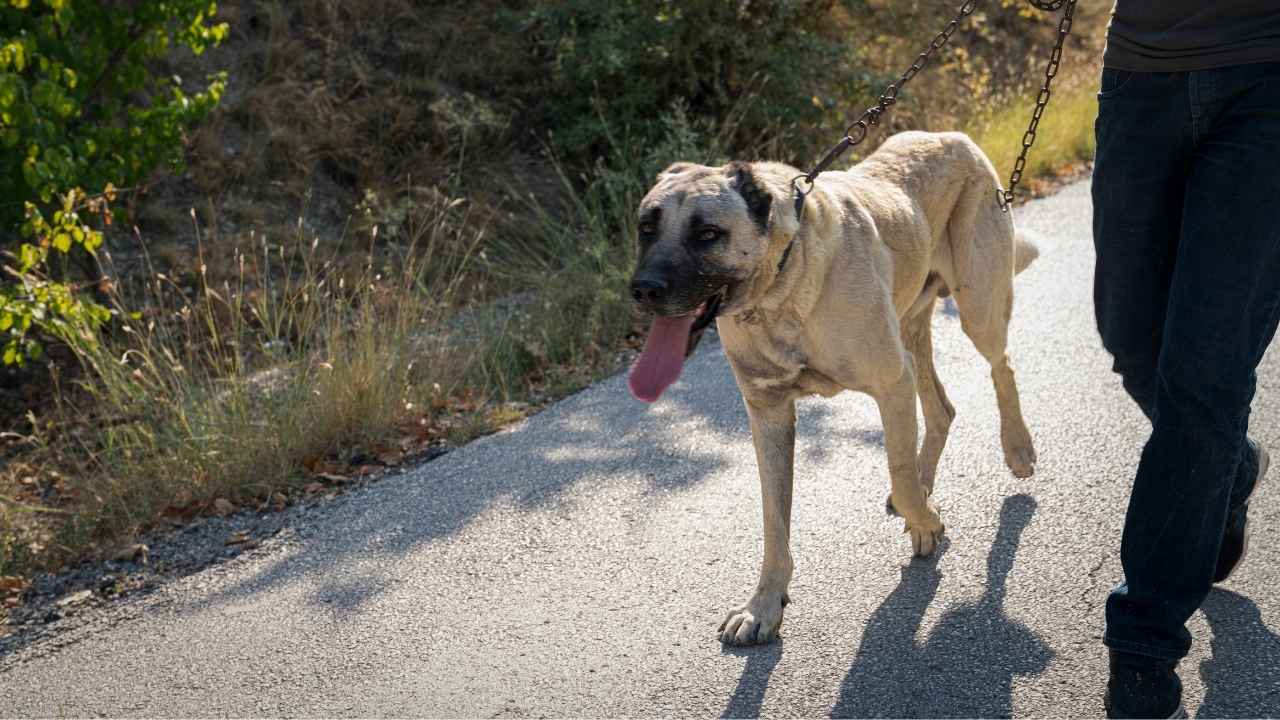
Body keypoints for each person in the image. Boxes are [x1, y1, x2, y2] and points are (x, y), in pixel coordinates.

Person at [1092, 3, 1280, 718]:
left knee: (1205, 376)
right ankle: (1226, 466)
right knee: (1131, 341)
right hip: (1141, 76)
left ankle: (1145, 639)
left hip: (1269, 81)